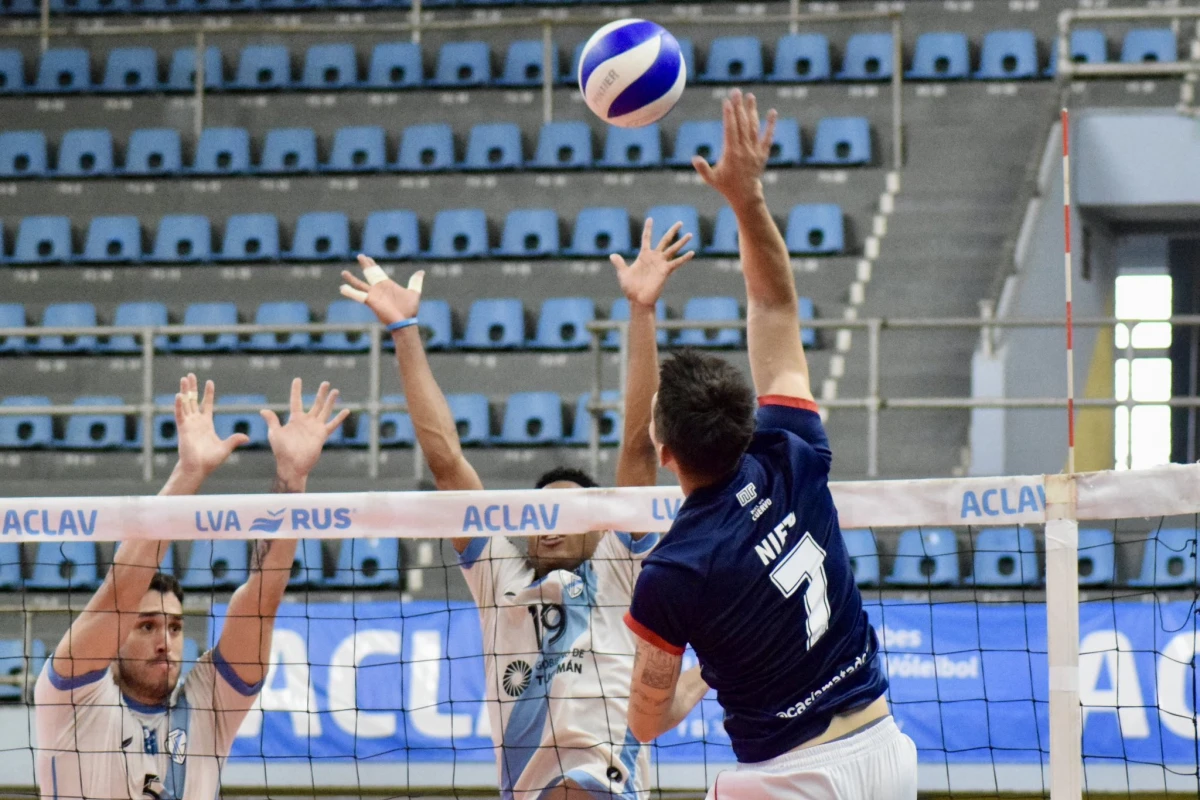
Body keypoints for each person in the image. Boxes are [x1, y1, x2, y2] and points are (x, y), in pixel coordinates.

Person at [621, 90, 918, 799]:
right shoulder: (791, 447)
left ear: (666, 452)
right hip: (885, 749)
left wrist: (707, 671)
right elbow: (777, 306)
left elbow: (646, 721)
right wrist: (746, 197)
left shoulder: (674, 572)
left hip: (791, 778)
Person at [338, 219, 693, 800]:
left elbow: (637, 444)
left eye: (566, 516)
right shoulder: (499, 580)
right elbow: (447, 462)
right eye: (538, 516)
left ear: (601, 528)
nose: (548, 527)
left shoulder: (620, 568)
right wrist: (403, 329)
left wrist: (642, 312)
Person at [35, 374, 349, 800]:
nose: (165, 641)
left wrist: (291, 479)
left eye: (176, 628)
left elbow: (261, 598)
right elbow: (117, 594)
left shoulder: (206, 705)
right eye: (147, 626)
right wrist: (190, 473)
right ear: (116, 640)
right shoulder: (71, 698)